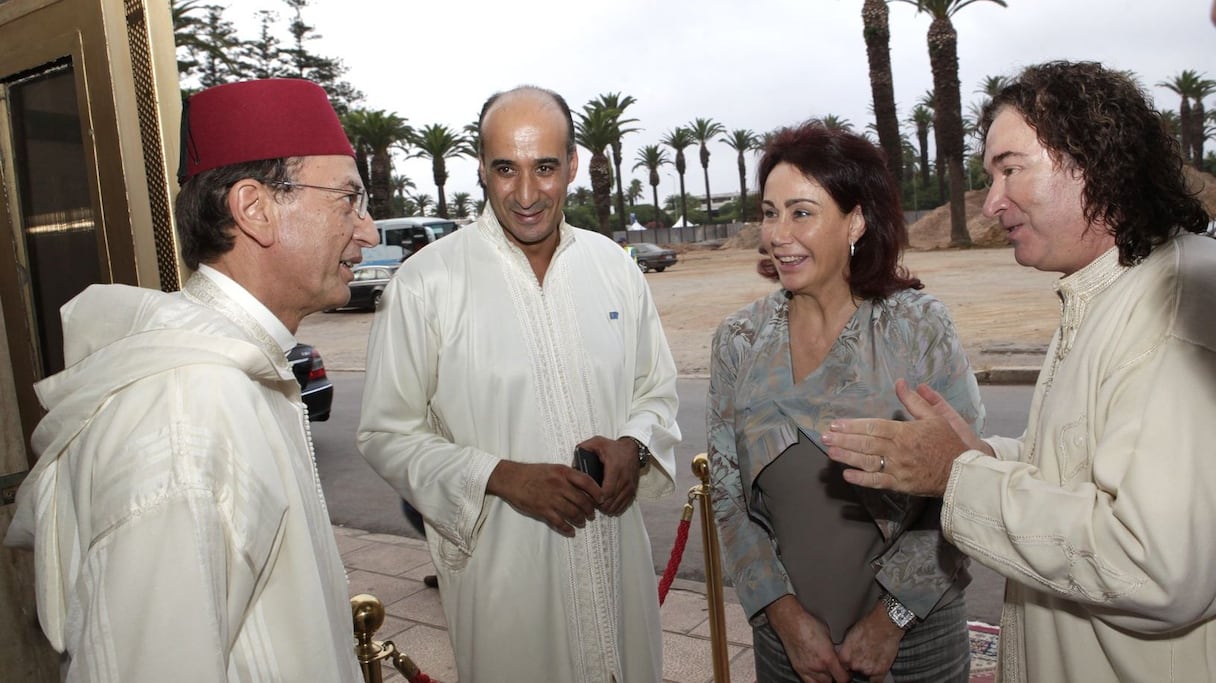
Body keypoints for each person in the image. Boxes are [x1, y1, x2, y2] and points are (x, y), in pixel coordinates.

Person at [822, 61, 1216, 682]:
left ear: (1094, 158)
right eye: (989, 177)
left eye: (1011, 169)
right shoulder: (1108, 290)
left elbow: (1156, 570)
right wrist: (980, 454)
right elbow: (1079, 470)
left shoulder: (1172, 312)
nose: (993, 201)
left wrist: (959, 475)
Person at [3, 78, 375, 682]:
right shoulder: (188, 409)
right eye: (348, 200)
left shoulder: (237, 372)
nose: (369, 231)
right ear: (254, 208)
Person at [356, 85, 681, 682]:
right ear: (481, 168)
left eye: (545, 168)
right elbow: (385, 433)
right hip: (505, 586)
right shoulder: (425, 283)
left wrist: (633, 446)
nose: (526, 194)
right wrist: (500, 477)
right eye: (506, 168)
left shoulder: (614, 267)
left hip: (617, 571)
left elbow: (655, 391)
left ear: (574, 166)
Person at [708, 122, 984, 683]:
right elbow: (728, 497)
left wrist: (891, 619)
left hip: (914, 645)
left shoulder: (918, 327)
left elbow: (966, 485)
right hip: (788, 647)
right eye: (769, 212)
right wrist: (785, 620)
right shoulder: (738, 340)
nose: (778, 234)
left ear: (855, 220)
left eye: (802, 212)